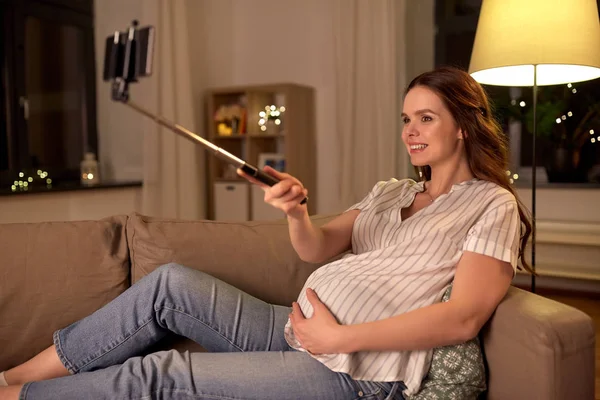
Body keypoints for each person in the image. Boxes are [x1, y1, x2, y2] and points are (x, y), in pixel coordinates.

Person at [0, 66, 533, 400]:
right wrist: (297, 212)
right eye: (405, 119)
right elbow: (317, 248)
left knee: (162, 375)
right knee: (170, 284)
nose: (409, 132)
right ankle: (12, 376)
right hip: (295, 330)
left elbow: (463, 316)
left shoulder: (490, 204)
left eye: (425, 119)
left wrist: (338, 339)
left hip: (361, 369)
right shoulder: (391, 192)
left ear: (464, 124)